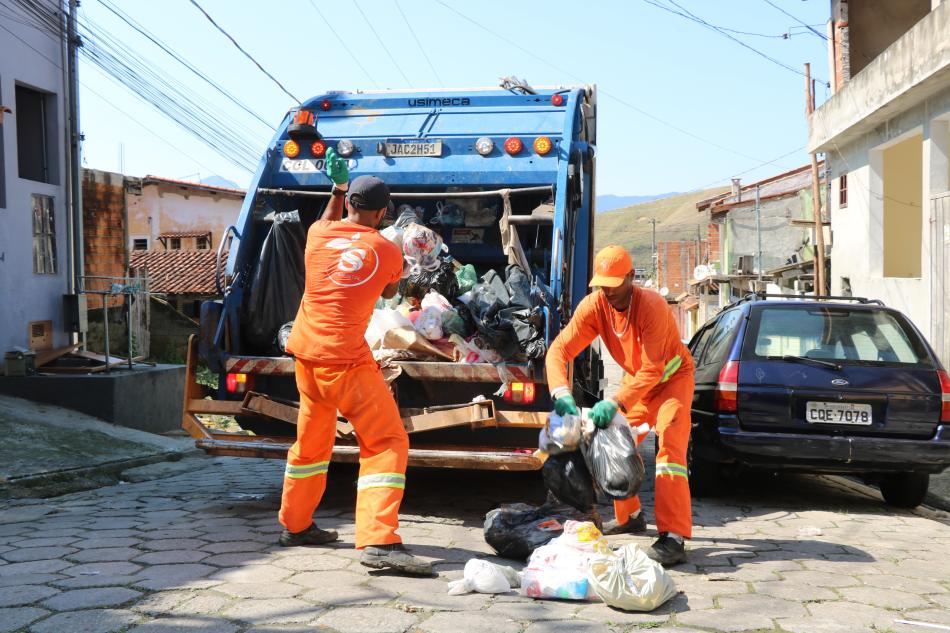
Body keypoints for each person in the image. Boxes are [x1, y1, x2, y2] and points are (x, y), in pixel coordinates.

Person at [277, 148, 431, 576]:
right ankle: (380, 541)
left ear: (348, 204)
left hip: (307, 358)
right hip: (346, 362)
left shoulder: (317, 234)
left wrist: (338, 186)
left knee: (311, 444)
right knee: (386, 443)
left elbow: (332, 219)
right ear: (383, 212)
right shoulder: (386, 250)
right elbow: (387, 296)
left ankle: (295, 524)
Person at [545, 245, 695, 566]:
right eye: (602, 284)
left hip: (672, 381)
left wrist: (614, 402)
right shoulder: (595, 306)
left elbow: (654, 368)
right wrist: (562, 395)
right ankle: (631, 517)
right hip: (637, 384)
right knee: (611, 444)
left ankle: (674, 536)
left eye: (614, 284)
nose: (607, 291)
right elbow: (558, 351)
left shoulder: (652, 306)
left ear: (631, 277)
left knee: (669, 452)